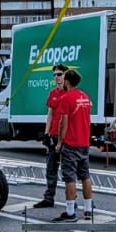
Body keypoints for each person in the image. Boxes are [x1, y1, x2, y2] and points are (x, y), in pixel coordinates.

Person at [50, 67, 93, 223]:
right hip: (84, 142)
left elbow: (63, 123)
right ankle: (88, 210)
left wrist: (60, 142)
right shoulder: (85, 97)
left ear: (67, 81)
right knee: (85, 176)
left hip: (71, 143)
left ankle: (70, 212)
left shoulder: (67, 98)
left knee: (70, 178)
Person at [32, 64, 67, 210]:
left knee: (68, 171)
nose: (56, 77)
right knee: (50, 169)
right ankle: (48, 198)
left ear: (66, 76)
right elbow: (50, 114)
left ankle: (72, 201)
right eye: (54, 75)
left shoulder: (69, 93)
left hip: (65, 137)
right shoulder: (53, 93)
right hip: (53, 135)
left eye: (59, 74)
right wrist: (46, 133)